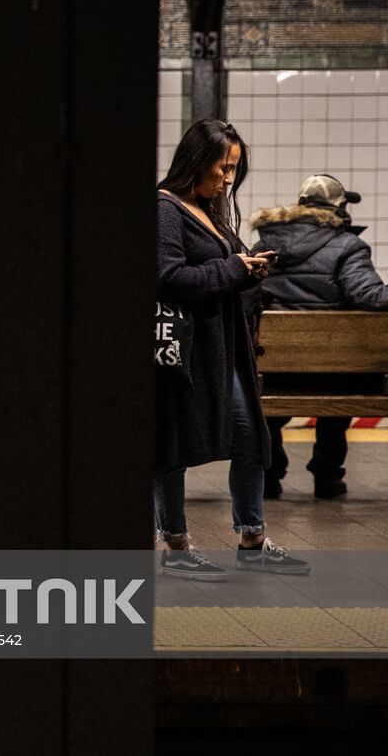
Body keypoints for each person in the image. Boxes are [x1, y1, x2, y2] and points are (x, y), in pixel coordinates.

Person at [156, 119, 309, 579]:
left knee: (250, 437)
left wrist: (249, 268)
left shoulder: (207, 208)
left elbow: (225, 266)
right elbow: (166, 276)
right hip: (186, 350)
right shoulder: (164, 208)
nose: (227, 179)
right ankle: (176, 545)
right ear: (196, 162)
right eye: (223, 168)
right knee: (173, 444)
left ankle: (252, 537)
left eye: (234, 170)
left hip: (224, 348)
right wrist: (233, 270)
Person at [250, 174, 388, 500]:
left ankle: (270, 475)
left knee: (267, 391)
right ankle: (327, 476)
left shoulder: (263, 245)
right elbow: (370, 297)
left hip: (273, 372)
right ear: (339, 209)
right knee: (342, 381)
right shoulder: (348, 246)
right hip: (339, 373)